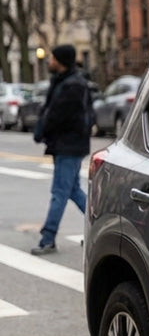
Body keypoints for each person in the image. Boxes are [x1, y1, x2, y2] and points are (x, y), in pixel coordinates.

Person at [31, 44, 91, 254]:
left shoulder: (73, 86)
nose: (49, 61)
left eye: (52, 58)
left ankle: (48, 239)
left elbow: (57, 116)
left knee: (60, 192)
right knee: (73, 190)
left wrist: (42, 130)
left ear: (61, 61)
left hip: (69, 146)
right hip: (66, 145)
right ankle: (98, 226)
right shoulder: (64, 82)